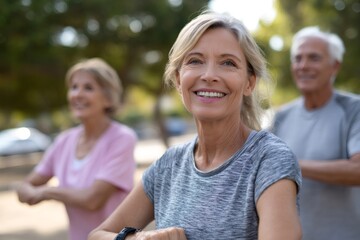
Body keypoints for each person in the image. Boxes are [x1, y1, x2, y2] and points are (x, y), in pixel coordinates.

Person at [88, 11, 302, 240]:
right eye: (195, 61)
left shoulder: (268, 159)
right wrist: (138, 238)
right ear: (179, 80)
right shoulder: (168, 166)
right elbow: (97, 235)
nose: (209, 75)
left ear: (249, 83)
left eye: (228, 63)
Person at [16, 58, 138, 240]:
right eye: (74, 87)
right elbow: (25, 186)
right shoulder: (64, 141)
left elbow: (92, 200)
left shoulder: (122, 138)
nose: (77, 94)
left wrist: (46, 192)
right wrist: (28, 191)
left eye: (88, 88)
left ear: (108, 98)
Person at [270, 26, 360, 239]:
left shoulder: (354, 109)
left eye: (314, 58)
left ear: (334, 66)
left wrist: (291, 164)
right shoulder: (281, 116)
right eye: (298, 58)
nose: (303, 66)